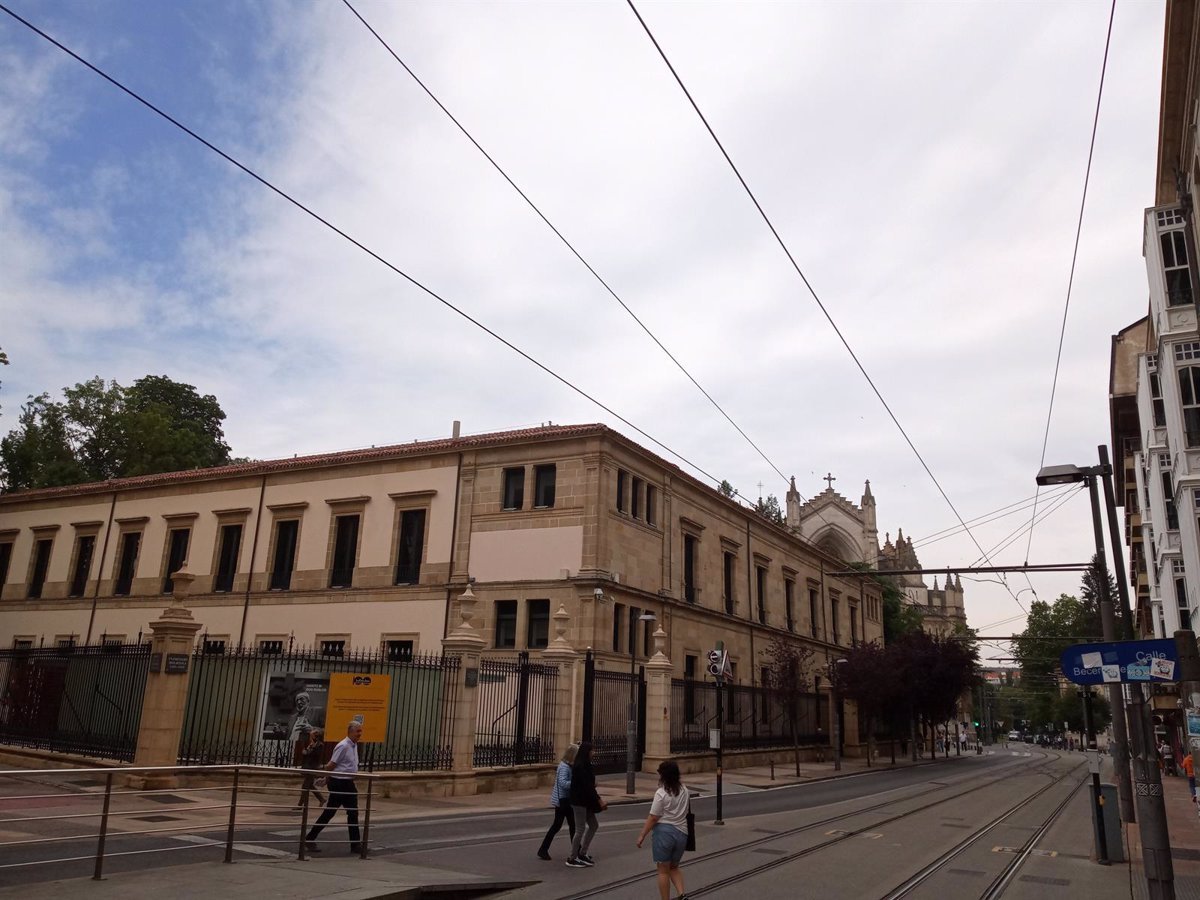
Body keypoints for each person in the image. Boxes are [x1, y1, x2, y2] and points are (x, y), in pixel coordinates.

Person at [305, 721, 363, 855]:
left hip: (347, 783)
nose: (360, 734)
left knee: (343, 813)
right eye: (358, 731)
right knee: (346, 813)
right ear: (350, 732)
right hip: (340, 783)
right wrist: (326, 777)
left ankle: (311, 838)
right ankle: (355, 845)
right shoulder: (343, 746)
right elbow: (331, 765)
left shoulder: (353, 746)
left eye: (360, 731)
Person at [636, 760, 691, 900]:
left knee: (663, 871)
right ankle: (681, 894)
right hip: (682, 833)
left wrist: (642, 835)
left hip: (664, 833)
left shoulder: (661, 793)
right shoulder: (685, 790)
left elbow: (653, 817)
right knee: (674, 867)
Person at [566, 741, 605, 868]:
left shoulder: (585, 764)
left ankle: (582, 853)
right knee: (580, 829)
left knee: (593, 825)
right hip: (579, 802)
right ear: (586, 752)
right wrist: (599, 800)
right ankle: (572, 857)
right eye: (592, 750)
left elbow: (588, 784)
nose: (594, 753)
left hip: (585, 801)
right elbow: (586, 786)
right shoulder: (580, 766)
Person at [537, 743, 578, 860]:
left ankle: (576, 851)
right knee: (562, 826)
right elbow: (563, 783)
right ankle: (543, 849)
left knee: (570, 826)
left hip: (565, 801)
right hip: (562, 801)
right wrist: (575, 782)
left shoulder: (568, 766)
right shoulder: (564, 767)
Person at [296, 727, 326, 809]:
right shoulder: (312, 744)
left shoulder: (319, 745)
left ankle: (300, 805)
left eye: (311, 736)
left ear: (316, 736)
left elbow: (315, 756)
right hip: (308, 767)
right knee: (309, 786)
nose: (310, 737)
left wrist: (308, 751)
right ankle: (322, 799)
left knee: (305, 786)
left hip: (312, 768)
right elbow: (307, 753)